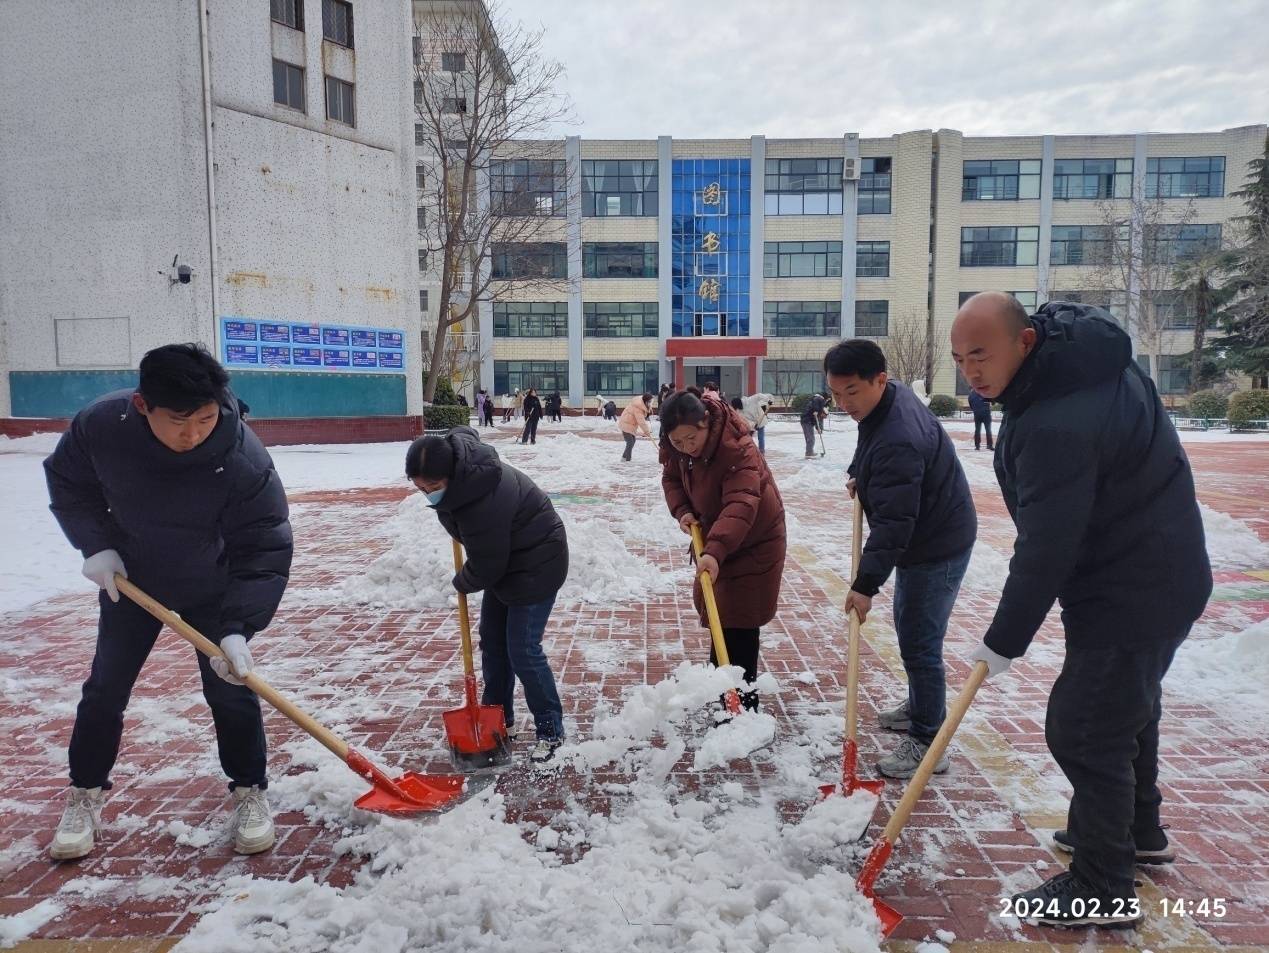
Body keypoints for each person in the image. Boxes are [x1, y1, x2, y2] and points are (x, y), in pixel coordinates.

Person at [950, 293, 1212, 927]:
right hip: (1155, 570)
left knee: (1086, 727)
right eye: (960, 360)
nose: (971, 374)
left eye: (981, 355)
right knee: (1125, 707)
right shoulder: (1085, 362)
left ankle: (1102, 884)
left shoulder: (1055, 422)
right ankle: (1137, 831)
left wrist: (1002, 641)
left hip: (1134, 584)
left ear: (1026, 342)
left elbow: (1047, 547)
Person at [42, 344, 293, 860]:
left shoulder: (242, 454)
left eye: (205, 418)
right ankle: (85, 793)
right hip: (133, 581)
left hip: (214, 584)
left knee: (231, 687)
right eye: (179, 420)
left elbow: (265, 540)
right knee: (105, 688)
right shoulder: (101, 427)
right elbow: (69, 481)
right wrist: (97, 544)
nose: (194, 433)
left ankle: (249, 791)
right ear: (141, 406)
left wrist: (239, 625)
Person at [825, 340, 977, 778]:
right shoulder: (887, 403)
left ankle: (929, 741)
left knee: (919, 641)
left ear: (880, 379)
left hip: (935, 543)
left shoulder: (899, 439)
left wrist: (864, 586)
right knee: (912, 631)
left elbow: (894, 525)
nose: (843, 403)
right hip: (930, 530)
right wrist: (860, 471)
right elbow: (868, 439)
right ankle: (919, 706)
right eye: (836, 393)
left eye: (852, 391)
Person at [405, 427, 569, 763]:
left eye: (433, 488)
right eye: (420, 488)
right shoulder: (460, 471)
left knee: (522, 648)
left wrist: (462, 582)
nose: (427, 495)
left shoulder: (481, 499)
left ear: (451, 475)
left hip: (537, 562)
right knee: (493, 642)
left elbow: (487, 564)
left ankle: (550, 729)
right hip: (508, 560)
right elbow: (462, 433)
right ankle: (499, 719)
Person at [658, 390, 786, 710]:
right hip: (721, 537)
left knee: (740, 621)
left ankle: (742, 708)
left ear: (706, 422)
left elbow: (741, 504)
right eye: (678, 442)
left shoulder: (737, 449)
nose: (686, 447)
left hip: (754, 541)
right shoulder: (679, 450)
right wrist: (683, 511)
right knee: (722, 616)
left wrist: (714, 551)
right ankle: (721, 692)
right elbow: (672, 479)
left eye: (691, 438)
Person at [618, 393, 654, 461]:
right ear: (645, 401)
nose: (650, 403)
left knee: (632, 441)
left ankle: (624, 458)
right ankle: (627, 459)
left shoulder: (641, 404)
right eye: (649, 402)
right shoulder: (638, 408)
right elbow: (641, 421)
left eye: (651, 402)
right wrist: (646, 431)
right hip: (626, 424)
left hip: (630, 424)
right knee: (630, 442)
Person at [800, 391, 827, 458]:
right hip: (807, 421)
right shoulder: (818, 400)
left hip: (806, 420)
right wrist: (816, 410)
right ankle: (809, 453)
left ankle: (809, 451)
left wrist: (819, 429)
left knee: (809, 438)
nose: (824, 417)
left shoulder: (816, 406)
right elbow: (817, 419)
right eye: (824, 416)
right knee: (811, 438)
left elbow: (818, 421)